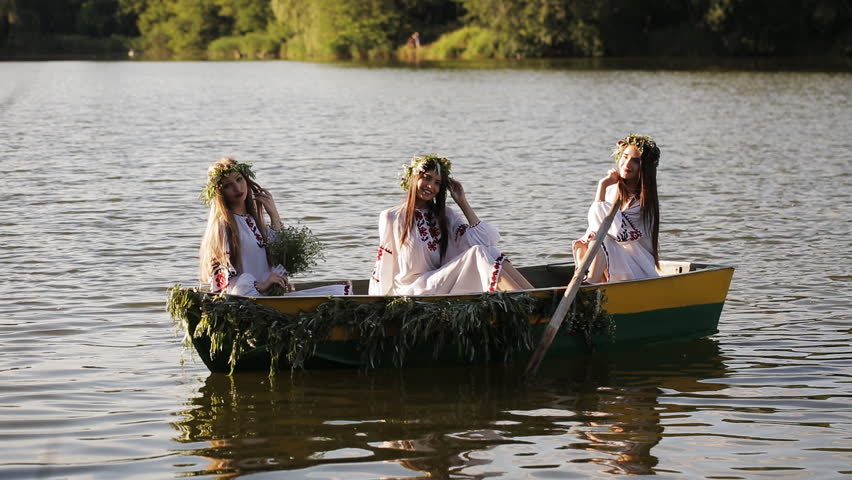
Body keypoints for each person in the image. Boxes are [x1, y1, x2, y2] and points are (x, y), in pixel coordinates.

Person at [369, 154, 533, 296]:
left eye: (438, 183)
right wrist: (378, 302)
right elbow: (384, 264)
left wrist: (462, 201)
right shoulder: (391, 217)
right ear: (413, 178)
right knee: (479, 252)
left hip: (439, 281)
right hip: (412, 290)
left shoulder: (446, 215)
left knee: (488, 250)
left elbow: (485, 240)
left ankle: (533, 294)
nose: (431, 186)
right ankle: (527, 300)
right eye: (426, 178)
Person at [198, 157, 351, 296]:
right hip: (247, 299)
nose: (238, 188)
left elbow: (281, 257)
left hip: (268, 296)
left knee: (338, 293)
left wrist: (274, 215)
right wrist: (262, 285)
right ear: (220, 192)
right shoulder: (224, 225)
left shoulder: (254, 221)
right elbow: (225, 283)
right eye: (228, 186)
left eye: (239, 180)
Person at [572, 134, 661, 283]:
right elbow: (595, 225)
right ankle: (587, 282)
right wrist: (603, 186)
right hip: (615, 261)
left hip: (638, 266)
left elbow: (613, 232)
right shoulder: (612, 190)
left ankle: (590, 286)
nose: (627, 164)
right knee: (584, 243)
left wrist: (601, 188)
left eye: (635, 161)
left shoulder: (644, 202)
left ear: (644, 167)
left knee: (601, 239)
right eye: (625, 157)